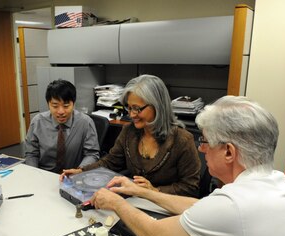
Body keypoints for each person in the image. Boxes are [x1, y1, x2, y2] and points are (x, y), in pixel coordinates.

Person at [91, 96, 285, 236]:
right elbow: (201, 208)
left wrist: (115, 203)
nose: (202, 150)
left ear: (229, 151)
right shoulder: (275, 184)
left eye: (205, 142)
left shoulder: (236, 204)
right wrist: (144, 192)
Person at [61, 74, 201, 197]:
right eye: (129, 107)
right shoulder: (129, 131)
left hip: (165, 209)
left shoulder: (182, 140)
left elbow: (191, 188)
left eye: (137, 109)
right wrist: (80, 171)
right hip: (134, 203)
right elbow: (109, 162)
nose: (132, 114)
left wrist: (154, 190)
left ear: (158, 106)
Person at [25, 79, 100, 173]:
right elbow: (31, 154)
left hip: (74, 176)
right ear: (48, 104)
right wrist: (34, 173)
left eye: (66, 106)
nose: (61, 112)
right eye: (55, 106)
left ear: (73, 104)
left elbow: (92, 154)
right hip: (44, 174)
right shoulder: (38, 122)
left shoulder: (85, 122)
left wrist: (80, 170)